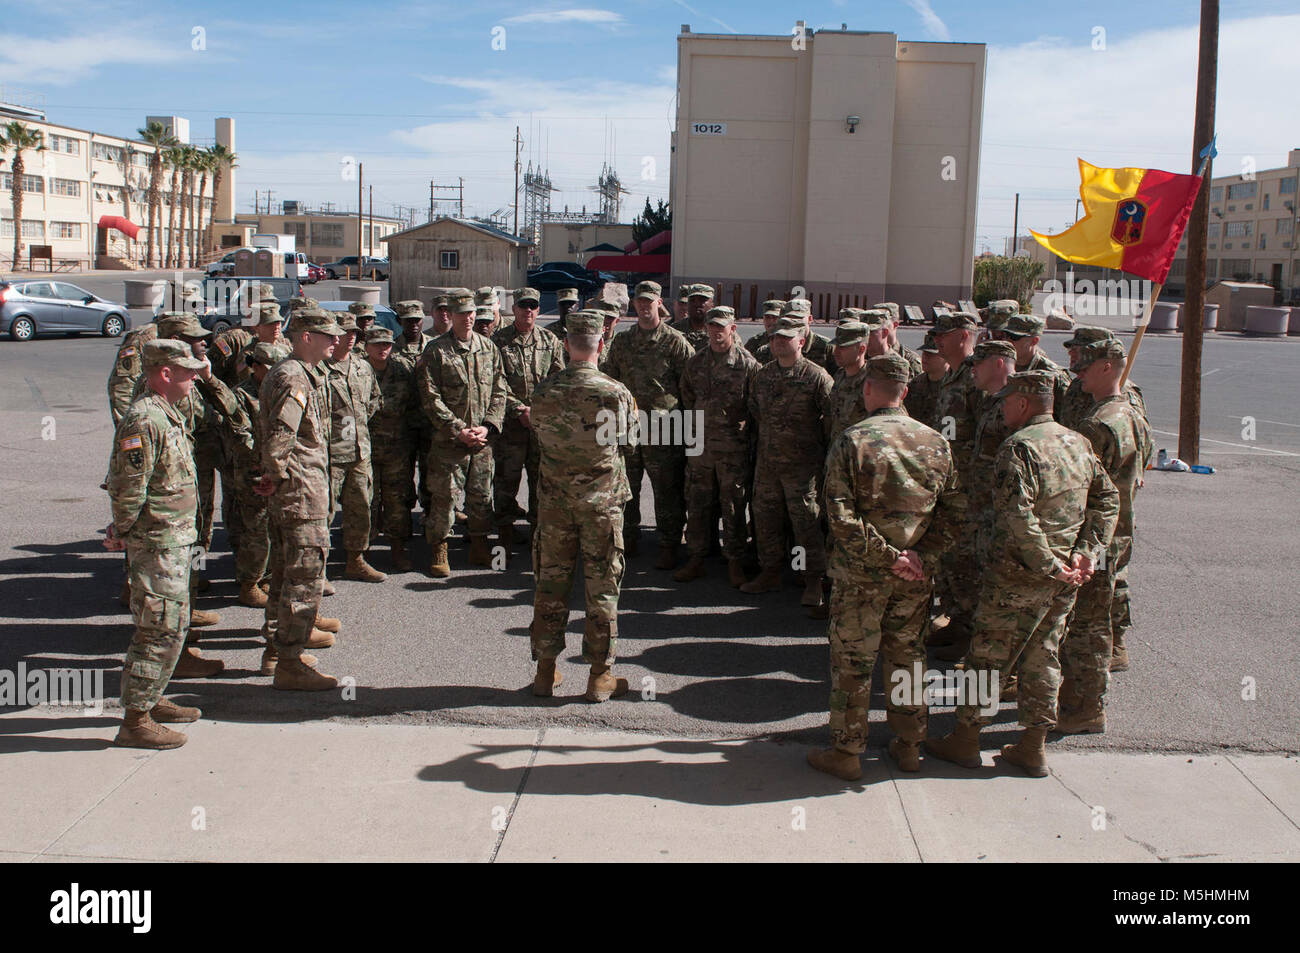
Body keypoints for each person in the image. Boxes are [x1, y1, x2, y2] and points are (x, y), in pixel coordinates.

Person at [925, 371, 1118, 778]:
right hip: (1064, 577)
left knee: (988, 656)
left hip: (1019, 575)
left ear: (1025, 403)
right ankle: (1033, 745)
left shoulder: (1019, 448)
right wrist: (1085, 554)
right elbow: (1107, 498)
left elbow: (1017, 514)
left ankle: (965, 739)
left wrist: (1049, 564)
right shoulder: (1077, 442)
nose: (1004, 408)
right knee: (1042, 657)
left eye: (1008, 401)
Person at [808, 352, 966, 780]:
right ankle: (910, 744)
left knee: (853, 661)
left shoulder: (852, 439)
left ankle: (847, 751)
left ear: (868, 389)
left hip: (862, 575)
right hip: (913, 578)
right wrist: (919, 558)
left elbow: (838, 514)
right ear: (906, 392)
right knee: (908, 658)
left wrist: (885, 557)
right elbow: (955, 512)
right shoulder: (935, 441)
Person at [103, 339, 212, 749]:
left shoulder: (167, 413)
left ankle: (151, 699)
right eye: (185, 370)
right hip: (155, 543)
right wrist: (122, 531)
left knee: (174, 624)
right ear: (164, 374)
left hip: (174, 541)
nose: (193, 375)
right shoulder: (144, 420)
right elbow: (129, 486)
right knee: (158, 628)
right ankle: (135, 720)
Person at [528, 310, 639, 702]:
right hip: (601, 508)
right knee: (602, 591)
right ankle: (599, 676)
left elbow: (540, 438)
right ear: (601, 344)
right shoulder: (614, 392)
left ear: (564, 345)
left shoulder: (544, 392)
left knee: (550, 587)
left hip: (556, 507)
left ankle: (544, 672)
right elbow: (628, 444)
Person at [1058, 339, 1153, 733]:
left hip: (1093, 537)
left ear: (1110, 367)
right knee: (1096, 621)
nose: (1077, 370)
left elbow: (1081, 489)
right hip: (1117, 533)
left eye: (1087, 363)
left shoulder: (1098, 425)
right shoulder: (1132, 416)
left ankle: (1084, 709)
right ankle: (1083, 704)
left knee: (1085, 627)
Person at [255, 308, 343, 689]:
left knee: (284, 573)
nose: (335, 341)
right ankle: (288, 662)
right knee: (305, 575)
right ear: (305, 337)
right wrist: (273, 476)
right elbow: (281, 436)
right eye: (327, 335)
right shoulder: (293, 377)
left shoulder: (299, 373)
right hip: (300, 493)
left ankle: (278, 651)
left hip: (298, 490)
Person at [741, 315, 834, 615]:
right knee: (766, 521)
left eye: (786, 338)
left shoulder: (817, 377)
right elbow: (755, 412)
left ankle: (810, 579)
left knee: (804, 525)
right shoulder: (763, 376)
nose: (778, 342)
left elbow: (830, 421)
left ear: (801, 341)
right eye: (774, 338)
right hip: (768, 465)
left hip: (802, 468)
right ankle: (770, 572)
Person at [602, 280, 694, 567]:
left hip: (665, 427)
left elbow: (689, 385)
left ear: (659, 304)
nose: (644, 306)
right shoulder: (623, 341)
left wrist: (690, 429)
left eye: (649, 301)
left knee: (666, 489)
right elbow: (610, 380)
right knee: (626, 486)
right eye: (639, 301)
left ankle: (668, 543)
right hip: (628, 427)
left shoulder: (674, 341)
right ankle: (627, 538)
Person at [417, 291, 507, 576]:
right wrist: (458, 429)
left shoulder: (489, 348)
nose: (468, 319)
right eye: (461, 314)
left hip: (481, 440)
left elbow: (500, 390)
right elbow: (430, 398)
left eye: (471, 314)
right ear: (451, 316)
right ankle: (440, 550)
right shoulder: (435, 350)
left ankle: (479, 546)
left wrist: (488, 426)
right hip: (449, 441)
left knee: (480, 496)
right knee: (444, 497)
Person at [676, 305, 760, 586]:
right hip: (700, 448)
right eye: (711, 326)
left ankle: (735, 561)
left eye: (721, 327)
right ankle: (696, 558)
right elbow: (687, 396)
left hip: (732, 450)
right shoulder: (696, 362)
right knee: (698, 504)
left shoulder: (748, 365)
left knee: (733, 506)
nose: (715, 332)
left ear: (732, 329)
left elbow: (755, 407)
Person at [492, 287, 565, 553]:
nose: (528, 311)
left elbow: (559, 380)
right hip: (510, 427)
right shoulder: (498, 342)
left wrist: (539, 412)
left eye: (533, 306)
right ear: (514, 309)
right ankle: (504, 534)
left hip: (541, 426)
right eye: (523, 306)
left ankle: (537, 534)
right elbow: (495, 383)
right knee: (505, 481)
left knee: (540, 482)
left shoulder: (550, 340)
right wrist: (520, 410)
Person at [929, 310, 982, 656]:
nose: (936, 341)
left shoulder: (977, 376)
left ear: (963, 336)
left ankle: (971, 638)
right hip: (951, 485)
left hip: (971, 487)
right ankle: (955, 620)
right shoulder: (952, 375)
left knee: (968, 562)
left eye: (943, 335)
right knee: (950, 558)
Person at [325, 313, 385, 582]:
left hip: (360, 450)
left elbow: (374, 400)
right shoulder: (320, 369)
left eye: (354, 334)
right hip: (330, 453)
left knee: (361, 507)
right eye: (345, 333)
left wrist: (356, 424)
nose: (351, 338)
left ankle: (356, 559)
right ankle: (317, 569)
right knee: (323, 514)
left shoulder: (362, 367)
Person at [364, 326, 418, 571]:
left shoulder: (402, 369)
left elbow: (415, 404)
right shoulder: (359, 371)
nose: (383, 348)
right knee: (366, 501)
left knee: (398, 501)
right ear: (367, 347)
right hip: (367, 448)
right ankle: (360, 553)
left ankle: (398, 549)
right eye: (377, 344)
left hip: (397, 446)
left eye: (386, 344)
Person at [1003, 313, 1070, 418]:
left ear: (1034, 341)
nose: (1008, 341)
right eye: (1006, 336)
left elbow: (1065, 415)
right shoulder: (1002, 366)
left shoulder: (1053, 375)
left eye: (1015, 337)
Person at [754, 300, 837, 374]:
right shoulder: (771, 349)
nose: (793, 322)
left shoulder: (826, 347)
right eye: (789, 318)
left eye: (798, 318)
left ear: (810, 319)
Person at [826, 320, 872, 443]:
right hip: (837, 452)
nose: (835, 352)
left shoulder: (873, 381)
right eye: (836, 346)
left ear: (862, 349)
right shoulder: (840, 375)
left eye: (843, 348)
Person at [903, 331, 947, 427]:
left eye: (931, 354)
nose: (925, 357)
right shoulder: (914, 385)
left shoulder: (954, 386)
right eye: (924, 352)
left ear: (945, 356)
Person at [671, 283, 712, 352]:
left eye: (702, 300)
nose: (697, 304)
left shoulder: (719, 330)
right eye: (692, 300)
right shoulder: (675, 330)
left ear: (712, 304)